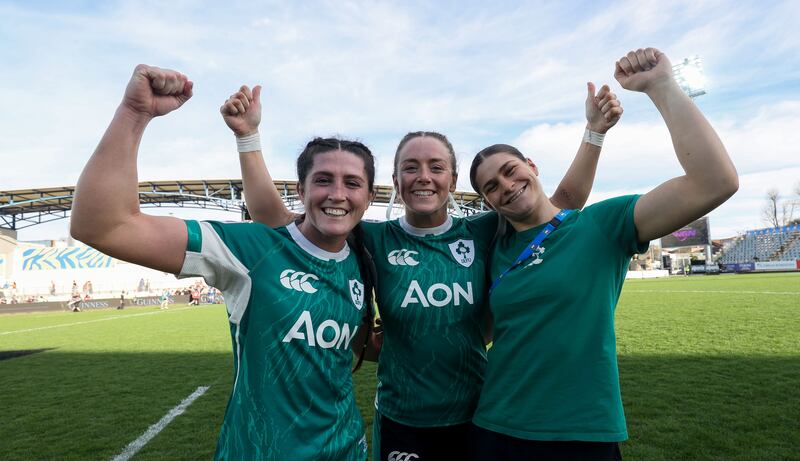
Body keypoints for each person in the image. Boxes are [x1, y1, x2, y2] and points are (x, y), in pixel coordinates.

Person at [222, 76, 622, 459]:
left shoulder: (483, 230)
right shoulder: (372, 238)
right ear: (395, 181)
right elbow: (272, 217)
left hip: (476, 413)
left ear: (451, 179)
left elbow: (563, 202)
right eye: (410, 168)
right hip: (403, 417)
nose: (423, 177)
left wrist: (594, 133)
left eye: (436, 167)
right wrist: (248, 137)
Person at [70, 64, 379, 460]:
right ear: (300, 189)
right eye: (323, 180)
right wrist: (134, 113)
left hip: (348, 449)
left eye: (352, 183)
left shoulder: (361, 263)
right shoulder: (249, 250)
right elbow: (103, 225)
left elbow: (356, 345)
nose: (337, 194)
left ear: (368, 197)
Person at [467, 47, 738, 460]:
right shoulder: (494, 248)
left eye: (510, 170)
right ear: (487, 202)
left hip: (582, 430)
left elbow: (714, 181)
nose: (505, 185)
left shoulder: (600, 226)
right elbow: (484, 329)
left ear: (532, 165)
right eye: (491, 187)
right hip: (496, 426)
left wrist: (662, 86)